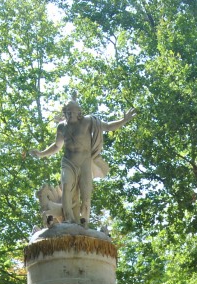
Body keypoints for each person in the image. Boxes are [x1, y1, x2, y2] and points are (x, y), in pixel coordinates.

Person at [28, 95, 136, 224]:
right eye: (67, 112)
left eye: (72, 112)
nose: (69, 115)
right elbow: (57, 146)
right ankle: (68, 218)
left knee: (86, 194)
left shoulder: (88, 121)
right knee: (66, 186)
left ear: (79, 113)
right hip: (68, 162)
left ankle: (84, 220)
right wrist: (41, 154)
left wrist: (123, 120)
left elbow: (107, 126)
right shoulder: (61, 127)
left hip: (84, 163)